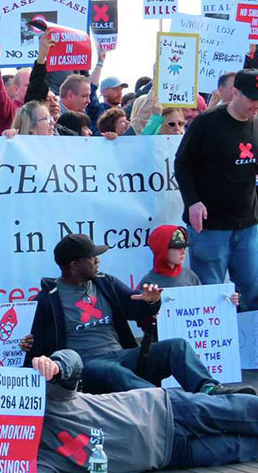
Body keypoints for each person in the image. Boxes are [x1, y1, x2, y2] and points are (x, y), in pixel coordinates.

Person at [26, 233, 254, 396]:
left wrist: (150, 302)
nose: (98, 260)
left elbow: (134, 307)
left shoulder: (106, 282)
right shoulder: (48, 299)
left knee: (177, 346)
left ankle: (208, 388)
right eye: (92, 257)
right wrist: (26, 345)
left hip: (121, 354)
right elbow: (31, 345)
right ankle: (169, 402)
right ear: (74, 265)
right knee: (112, 371)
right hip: (85, 366)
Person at [33, 349, 258, 472]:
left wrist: (56, 364)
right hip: (169, 455)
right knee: (245, 449)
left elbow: (73, 360)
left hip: (163, 409)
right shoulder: (36, 461)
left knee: (244, 410)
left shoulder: (46, 399)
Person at [175, 69, 258, 310]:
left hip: (248, 223)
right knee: (212, 293)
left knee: (252, 289)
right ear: (235, 92)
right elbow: (181, 163)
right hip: (211, 226)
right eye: (251, 98)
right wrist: (193, 201)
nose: (255, 104)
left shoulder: (256, 125)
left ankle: (251, 343)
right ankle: (218, 345)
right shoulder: (207, 122)